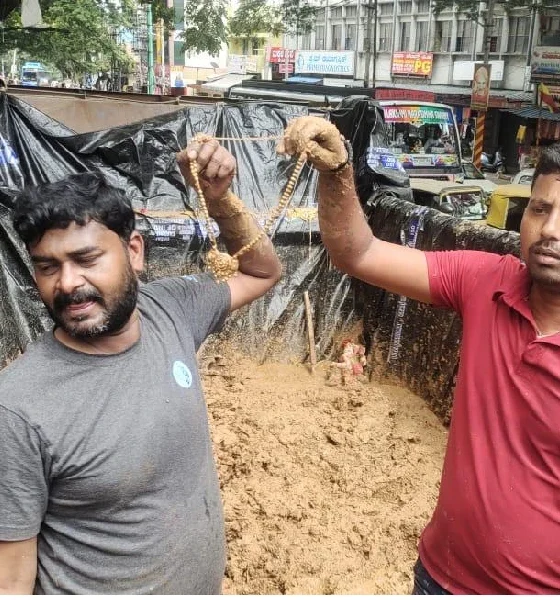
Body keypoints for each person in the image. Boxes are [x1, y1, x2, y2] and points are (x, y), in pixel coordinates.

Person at [278, 117, 560, 594]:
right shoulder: (486, 281)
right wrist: (337, 170)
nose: (550, 230)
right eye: (540, 209)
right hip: (438, 577)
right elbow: (359, 253)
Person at [0, 138, 282, 594]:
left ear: (134, 251)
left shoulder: (171, 309)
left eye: (86, 259)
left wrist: (220, 201)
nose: (68, 283)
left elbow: (262, 271)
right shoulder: (16, 409)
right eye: (47, 266)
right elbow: (10, 581)